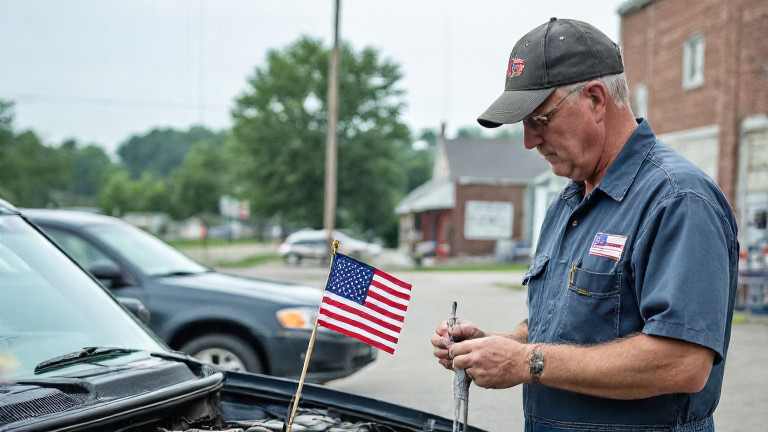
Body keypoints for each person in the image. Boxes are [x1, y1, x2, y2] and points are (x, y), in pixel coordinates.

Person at [430, 17, 739, 431]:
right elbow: (569, 324)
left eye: (539, 119)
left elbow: (683, 363)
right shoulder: (570, 201)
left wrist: (526, 362)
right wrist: (499, 345)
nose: (528, 140)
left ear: (595, 100)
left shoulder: (677, 199)